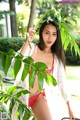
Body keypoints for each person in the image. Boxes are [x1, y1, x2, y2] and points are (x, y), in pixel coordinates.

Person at [13, 19, 75, 120]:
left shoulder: (56, 59)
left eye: (54, 34)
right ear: (41, 33)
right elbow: (14, 64)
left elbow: (62, 83)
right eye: (47, 33)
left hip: (38, 97)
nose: (50, 37)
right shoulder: (32, 48)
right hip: (21, 96)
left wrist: (70, 109)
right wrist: (27, 42)